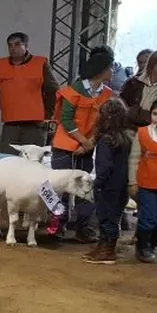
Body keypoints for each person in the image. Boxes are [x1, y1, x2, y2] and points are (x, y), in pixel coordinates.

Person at [50, 49, 115, 242]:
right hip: (65, 146)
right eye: (110, 67)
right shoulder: (73, 91)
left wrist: (90, 143)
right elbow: (66, 120)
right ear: (101, 70)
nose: (113, 71)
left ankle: (82, 227)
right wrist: (84, 141)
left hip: (87, 146)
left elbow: (104, 121)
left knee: (84, 187)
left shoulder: (107, 94)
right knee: (59, 187)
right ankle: (57, 224)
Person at [0, 32, 59, 153]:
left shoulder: (40, 63)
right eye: (10, 45)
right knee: (8, 160)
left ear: (26, 46)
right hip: (10, 124)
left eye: (17, 44)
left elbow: (53, 91)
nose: (13, 48)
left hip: (35, 124)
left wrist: (48, 116)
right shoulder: (1, 65)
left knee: (31, 163)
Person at [84, 98, 131, 264]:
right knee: (113, 216)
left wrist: (97, 184)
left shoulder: (105, 141)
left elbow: (104, 166)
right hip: (121, 185)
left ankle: (108, 250)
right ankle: (103, 245)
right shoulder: (125, 139)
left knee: (106, 217)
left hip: (108, 186)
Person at [129, 96, 157, 263]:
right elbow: (134, 159)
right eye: (155, 113)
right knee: (148, 218)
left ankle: (152, 245)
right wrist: (132, 182)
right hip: (147, 185)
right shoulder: (142, 133)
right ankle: (142, 247)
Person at [121, 50, 157, 131]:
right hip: (127, 131)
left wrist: (135, 112)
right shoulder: (133, 83)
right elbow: (120, 108)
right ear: (151, 66)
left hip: (155, 135)